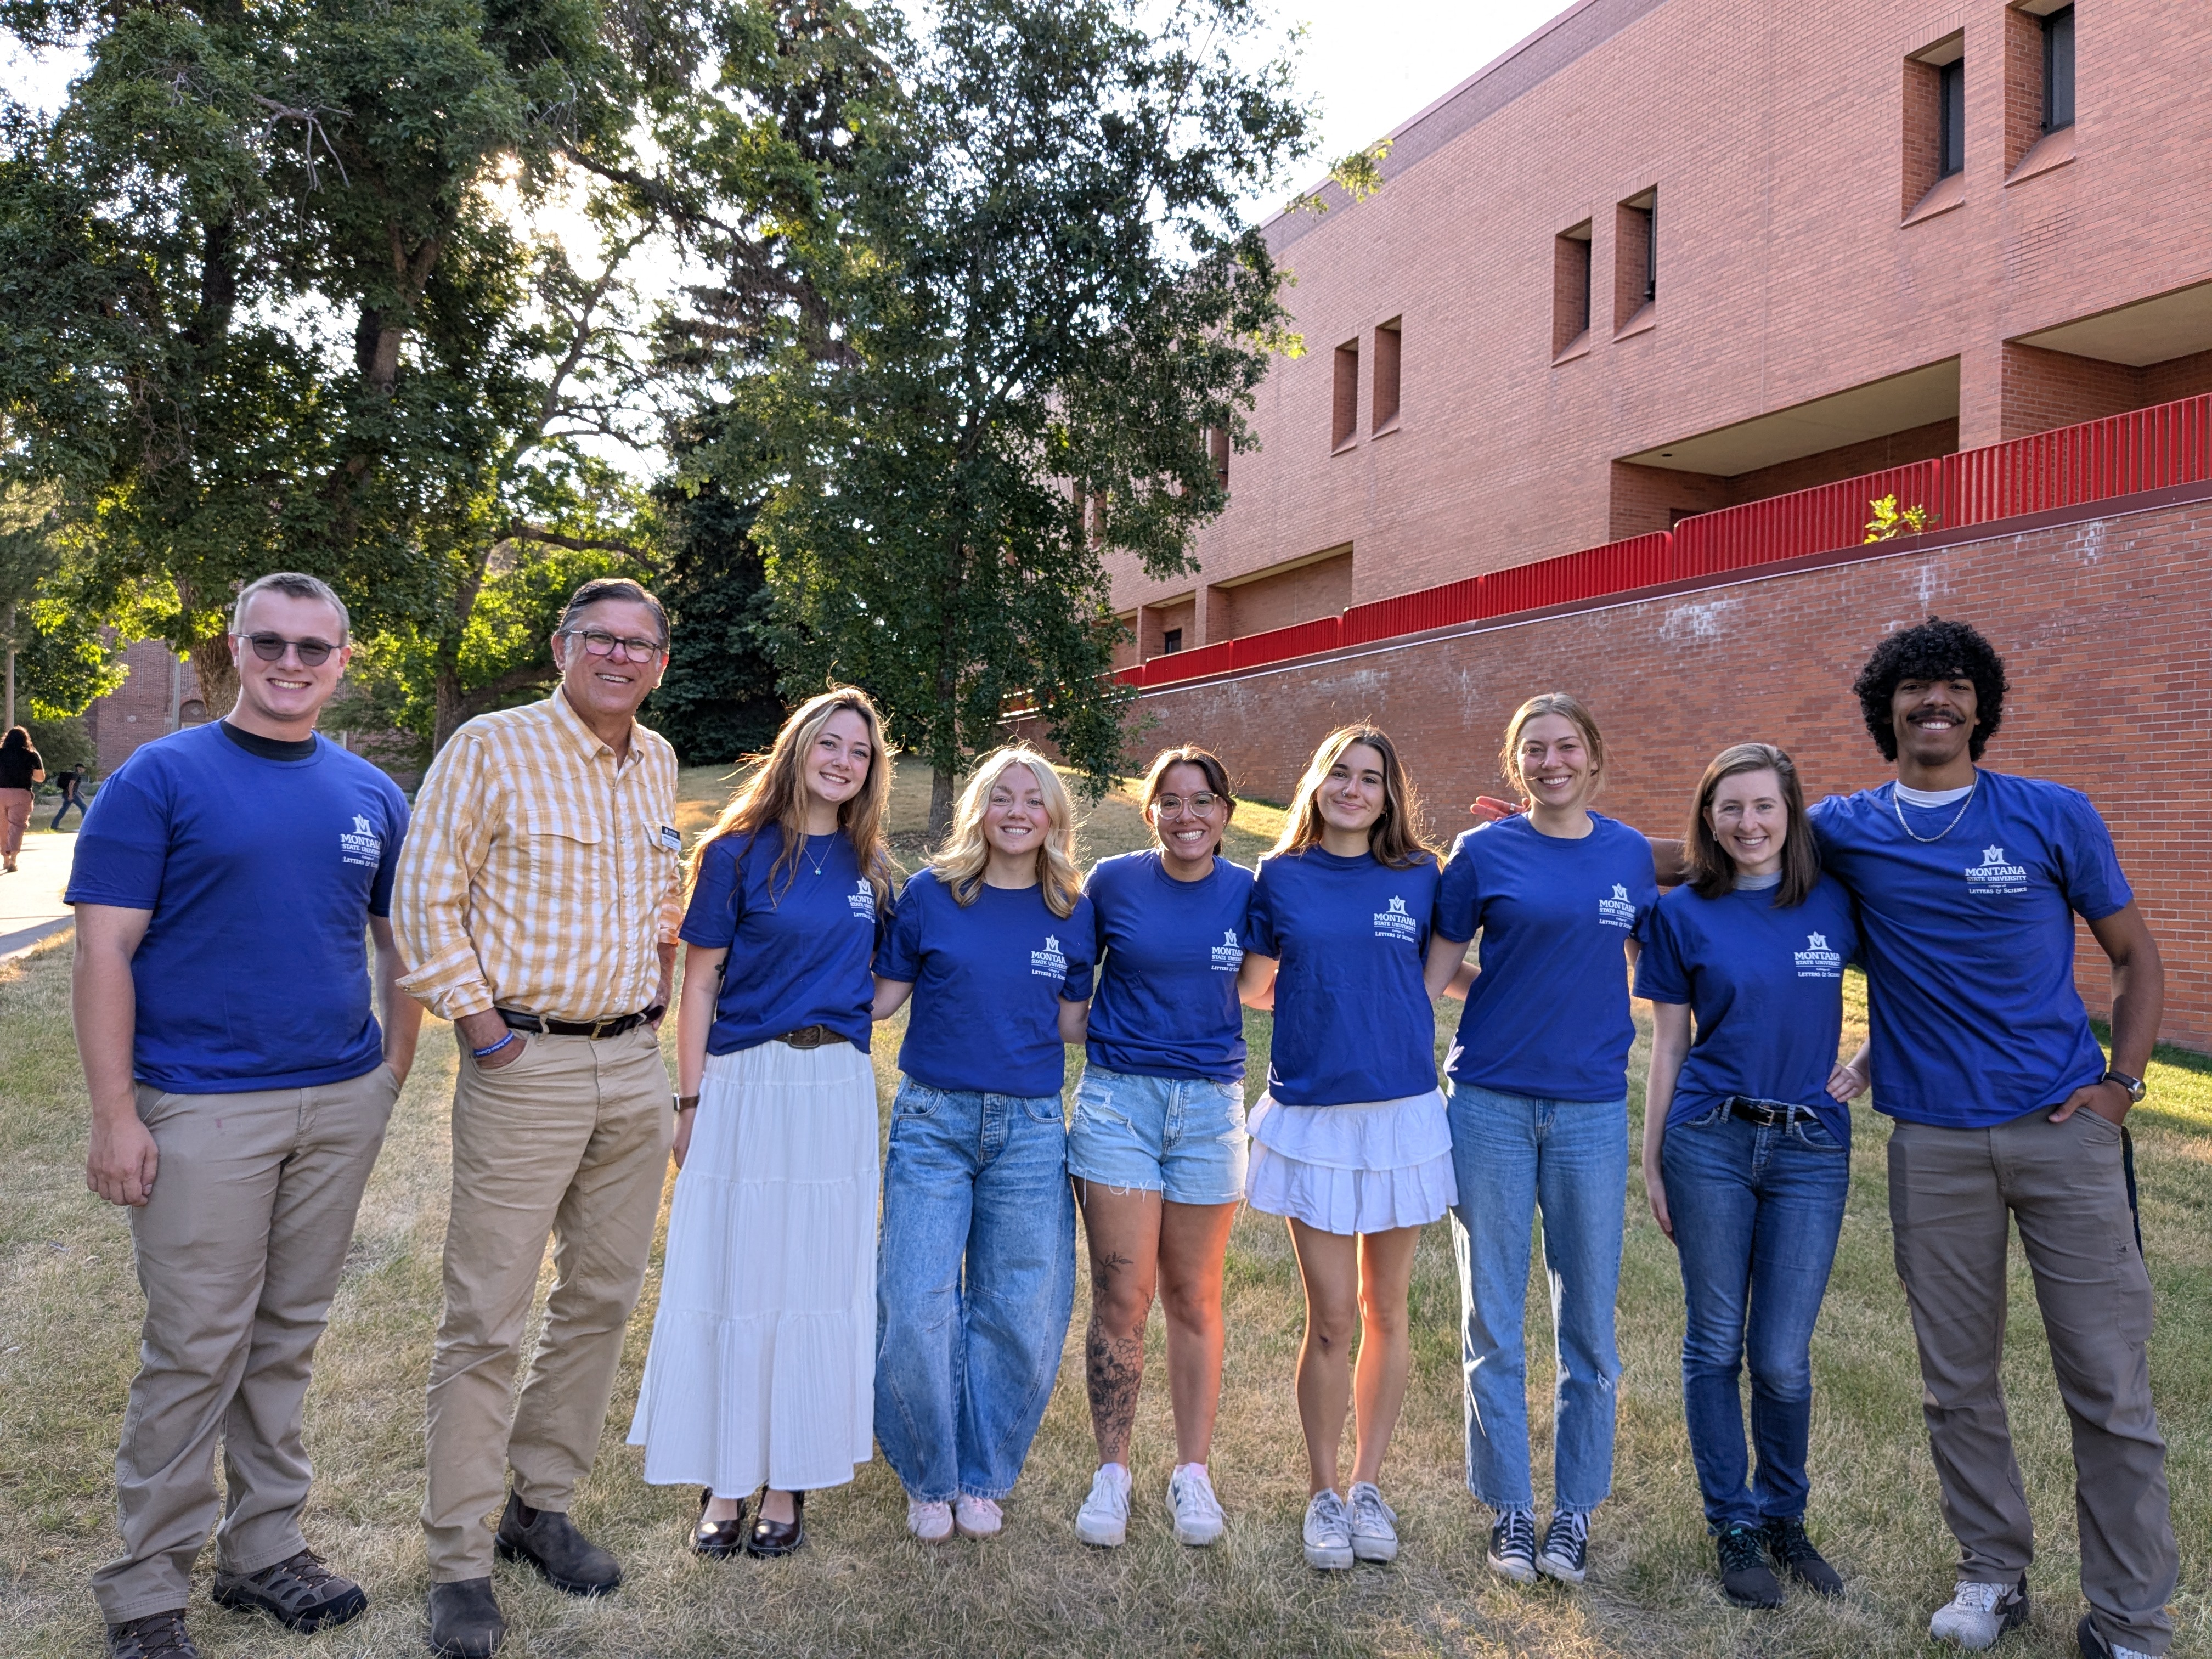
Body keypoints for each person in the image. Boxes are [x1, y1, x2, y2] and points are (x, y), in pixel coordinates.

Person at [66, 572, 418, 1659]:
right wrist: (116, 1115)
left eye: (314, 647)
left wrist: (389, 1076)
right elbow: (103, 948)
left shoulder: (371, 793)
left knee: (286, 1336)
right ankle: (146, 1589)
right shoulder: (160, 777)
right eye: (270, 642)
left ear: (343, 659)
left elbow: (399, 943)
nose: (290, 663)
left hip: (338, 1100)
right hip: (202, 1103)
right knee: (195, 1346)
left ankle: (264, 1548)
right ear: (234, 648)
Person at [1808, 618, 2174, 1659]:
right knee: (1956, 1379)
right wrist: (1570, 834)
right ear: (1885, 707)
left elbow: (2134, 956)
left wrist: (2120, 1088)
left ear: (1981, 707)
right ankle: (1991, 1571)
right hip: (1933, 1144)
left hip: (2064, 1133)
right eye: (1916, 686)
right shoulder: (1845, 827)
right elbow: (1725, 845)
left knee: (2107, 1382)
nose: (1937, 700)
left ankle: (2130, 1617)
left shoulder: (2052, 814)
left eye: (1957, 685)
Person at [392, 577, 682, 1659]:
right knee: (486, 1317)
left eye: (639, 643)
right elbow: (424, 899)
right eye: (599, 637)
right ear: (563, 647)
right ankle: (459, 1560)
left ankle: (539, 1505)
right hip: (524, 1063)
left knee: (601, 1298)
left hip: (631, 1063)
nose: (619, 655)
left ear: (660, 663)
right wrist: (484, 1031)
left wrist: (655, 997)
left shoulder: (656, 762)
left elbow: (661, 897)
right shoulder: (491, 746)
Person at [628, 688, 895, 1559]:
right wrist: (689, 1102)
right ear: (798, 748)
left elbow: (887, 985)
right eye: (830, 743)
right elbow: (699, 981)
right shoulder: (735, 853)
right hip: (743, 1083)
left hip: (834, 1091)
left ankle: (788, 1478)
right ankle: (728, 1479)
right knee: (737, 1278)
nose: (843, 761)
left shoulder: (872, 869)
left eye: (860, 751)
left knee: (815, 1282)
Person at [1424, 692, 1656, 1589]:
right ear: (1515, 763)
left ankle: (1576, 1509)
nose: (1550, 761)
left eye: (1565, 746)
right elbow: (1434, 971)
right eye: (1533, 749)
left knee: (1587, 1322)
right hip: (1487, 1101)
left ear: (1594, 757)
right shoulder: (1482, 852)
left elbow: (1651, 965)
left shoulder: (1628, 853)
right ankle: (1511, 1506)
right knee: (1491, 1315)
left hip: (1589, 1110)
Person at [1635, 743, 1860, 1609]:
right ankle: (1733, 1523)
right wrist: (1653, 1155)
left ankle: (1785, 1518)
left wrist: (1866, 1062)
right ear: (1709, 817)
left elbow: (1917, 981)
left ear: (1790, 813)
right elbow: (1668, 1044)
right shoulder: (1684, 913)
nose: (1748, 823)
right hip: (1709, 1140)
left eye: (1764, 805)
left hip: (1811, 1149)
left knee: (1781, 1358)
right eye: (1730, 807)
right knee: (1714, 1342)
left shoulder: (1835, 901)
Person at [1236, 725, 1452, 1572]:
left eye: (1371, 778)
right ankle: (1323, 1493)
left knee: (1387, 1311)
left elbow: (1435, 975)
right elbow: (1255, 986)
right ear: (1316, 785)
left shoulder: (1422, 874)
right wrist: (1323, 995)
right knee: (1330, 1317)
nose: (1354, 790)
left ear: (1390, 794)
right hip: (1314, 1117)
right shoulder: (1280, 875)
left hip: (1402, 1116)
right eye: (1340, 774)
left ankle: (1367, 1487)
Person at [870, 747, 1093, 1545]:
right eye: (1003, 796)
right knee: (915, 1300)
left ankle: (983, 1472)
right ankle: (929, 1474)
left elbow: (1073, 1023)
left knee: (1020, 1308)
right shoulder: (932, 895)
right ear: (980, 809)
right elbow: (881, 1001)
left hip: (1029, 1131)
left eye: (1034, 799)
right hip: (934, 1121)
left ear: (1054, 817)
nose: (1018, 811)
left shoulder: (1071, 909)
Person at [1069, 746, 1254, 1550]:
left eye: (1202, 800)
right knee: (1122, 1297)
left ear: (1226, 812)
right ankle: (1111, 1471)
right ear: (1150, 813)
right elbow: (1069, 981)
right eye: (1170, 802)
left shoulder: (1250, 891)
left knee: (1193, 1297)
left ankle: (1192, 1474)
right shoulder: (1112, 882)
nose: (1187, 816)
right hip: (1121, 1105)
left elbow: (1277, 977)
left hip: (1210, 1109)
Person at [1, 724, 45, 870]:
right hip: (21, 794)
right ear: (26, 740)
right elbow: (41, 778)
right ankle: (13, 860)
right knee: (17, 827)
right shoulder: (32, 755)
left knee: (2, 827)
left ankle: (5, 859)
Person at [50, 760, 90, 830]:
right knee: (84, 807)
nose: (84, 769)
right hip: (72, 795)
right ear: (79, 768)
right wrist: (71, 795)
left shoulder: (74, 775)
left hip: (69, 794)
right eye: (83, 768)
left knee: (63, 810)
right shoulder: (76, 775)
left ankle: (54, 826)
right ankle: (86, 826)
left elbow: (74, 786)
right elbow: (71, 785)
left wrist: (80, 793)